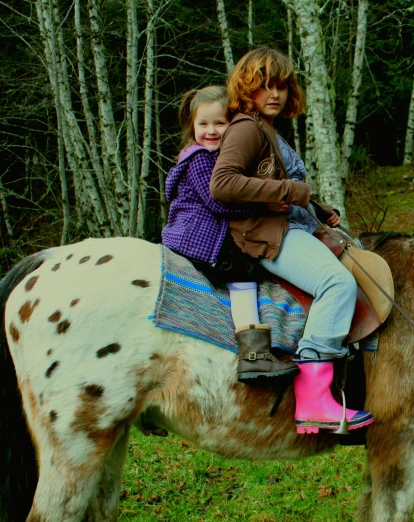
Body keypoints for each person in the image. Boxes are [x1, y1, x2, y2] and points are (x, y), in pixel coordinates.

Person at [210, 48, 373, 434]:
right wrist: (290, 189)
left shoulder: (267, 129)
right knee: (336, 283)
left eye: (281, 85)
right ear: (246, 88)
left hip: (288, 226)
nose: (275, 93)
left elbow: (269, 188)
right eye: (264, 85)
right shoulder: (247, 127)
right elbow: (223, 183)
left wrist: (314, 204)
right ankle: (314, 398)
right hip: (269, 236)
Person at [161, 86, 291, 381]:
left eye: (219, 123)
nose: (211, 131)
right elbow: (219, 202)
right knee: (245, 273)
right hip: (201, 238)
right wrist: (264, 207)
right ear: (191, 126)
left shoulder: (204, 157)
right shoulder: (202, 160)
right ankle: (253, 356)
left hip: (189, 233)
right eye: (203, 124)